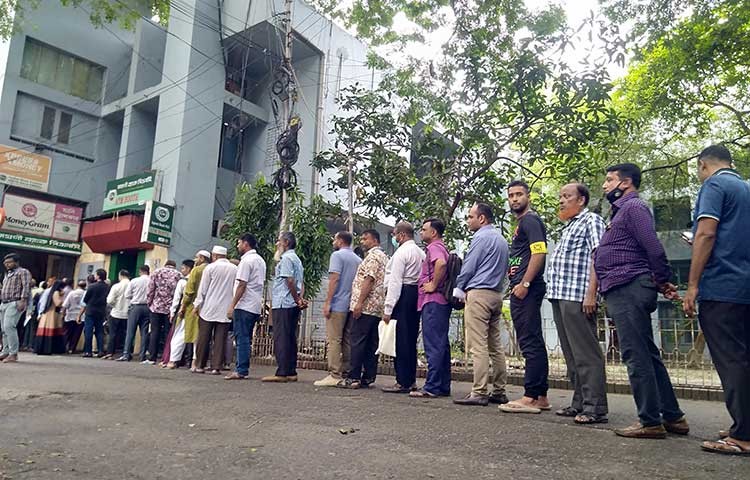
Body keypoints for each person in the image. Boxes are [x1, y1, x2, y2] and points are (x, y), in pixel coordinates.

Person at [595, 162, 686, 439]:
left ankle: (650, 421)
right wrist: (659, 281)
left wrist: (663, 278)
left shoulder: (633, 208)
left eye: (610, 180)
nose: (605, 185)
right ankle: (673, 417)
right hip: (627, 286)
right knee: (647, 354)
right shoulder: (621, 212)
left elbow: (652, 246)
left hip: (628, 286)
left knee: (636, 355)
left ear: (626, 183)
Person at [681, 146, 750, 455]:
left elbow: (706, 234)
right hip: (746, 285)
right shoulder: (746, 187)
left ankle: (744, 435)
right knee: (745, 357)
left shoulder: (715, 184)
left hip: (723, 285)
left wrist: (692, 285)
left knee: (731, 359)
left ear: (703, 165)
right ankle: (744, 424)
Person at [547, 183, 609, 424]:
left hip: (578, 296)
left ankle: (596, 407)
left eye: (567, 196)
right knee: (572, 354)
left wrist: (591, 293)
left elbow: (598, 256)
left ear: (581, 200)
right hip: (560, 295)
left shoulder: (590, 220)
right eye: (560, 196)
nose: (562, 201)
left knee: (586, 353)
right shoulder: (569, 225)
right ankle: (579, 402)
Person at [500, 180, 551, 414]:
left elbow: (539, 252)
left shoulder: (530, 220)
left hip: (527, 288)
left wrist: (525, 283)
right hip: (522, 286)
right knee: (532, 339)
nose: (514, 199)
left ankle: (531, 396)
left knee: (530, 341)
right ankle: (540, 396)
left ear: (528, 197)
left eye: (519, 194)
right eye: (511, 195)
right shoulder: (522, 223)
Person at [452, 203, 509, 406]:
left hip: (478, 294)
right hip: (496, 294)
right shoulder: (502, 240)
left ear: (482, 219)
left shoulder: (480, 238)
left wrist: (459, 286)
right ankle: (500, 390)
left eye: (470, 217)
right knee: (496, 345)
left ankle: (479, 391)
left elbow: (469, 265)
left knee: (478, 346)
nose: (468, 220)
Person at [338, 229, 389, 389]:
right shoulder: (385, 257)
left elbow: (369, 279)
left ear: (374, 240)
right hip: (377, 307)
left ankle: (353, 377)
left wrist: (359, 303)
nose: (362, 241)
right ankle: (368, 376)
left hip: (366, 306)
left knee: (358, 341)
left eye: (365, 239)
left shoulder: (373, 257)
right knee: (371, 343)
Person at [411, 218, 452, 398]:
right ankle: (442, 385)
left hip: (433, 301)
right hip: (441, 302)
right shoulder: (443, 247)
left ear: (433, 232)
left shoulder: (435, 248)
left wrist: (433, 284)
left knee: (433, 344)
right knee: (441, 344)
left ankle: (432, 386)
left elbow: (441, 263)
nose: (421, 232)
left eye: (424, 229)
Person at [381, 222, 425, 393]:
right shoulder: (420, 253)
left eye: (395, 234)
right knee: (411, 339)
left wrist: (388, 308)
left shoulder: (401, 253)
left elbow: (395, 281)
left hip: (403, 295)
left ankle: (402, 381)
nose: (394, 237)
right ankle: (411, 379)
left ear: (402, 235)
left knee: (401, 340)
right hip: (415, 295)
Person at [315, 231, 362, 387]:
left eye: (334, 239)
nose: (333, 241)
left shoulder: (337, 256)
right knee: (347, 340)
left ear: (340, 241)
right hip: (351, 304)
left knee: (334, 340)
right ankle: (347, 371)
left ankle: (334, 373)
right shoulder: (357, 259)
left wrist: (328, 302)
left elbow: (334, 279)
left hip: (338, 303)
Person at [262, 232, 306, 383]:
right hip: (292, 303)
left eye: (279, 241)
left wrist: (295, 298)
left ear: (286, 242)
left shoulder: (286, 258)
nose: (277, 244)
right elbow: (301, 282)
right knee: (290, 337)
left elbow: (290, 280)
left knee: (281, 337)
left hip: (284, 302)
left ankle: (282, 372)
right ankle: (291, 371)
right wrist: (299, 299)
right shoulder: (297, 259)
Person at [225, 233, 267, 380]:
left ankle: (241, 369)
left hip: (244, 305)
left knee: (241, 337)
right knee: (246, 338)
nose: (237, 246)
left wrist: (232, 305)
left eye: (239, 243)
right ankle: (242, 367)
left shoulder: (246, 261)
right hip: (254, 304)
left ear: (245, 244)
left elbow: (242, 284)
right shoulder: (260, 260)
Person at [193, 246, 237, 375]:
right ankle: (216, 367)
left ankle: (200, 365)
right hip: (226, 308)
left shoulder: (210, 268)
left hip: (209, 308)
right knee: (220, 339)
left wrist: (197, 305)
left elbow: (203, 289)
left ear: (214, 255)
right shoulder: (235, 269)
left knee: (203, 337)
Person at [144, 260, 182, 365]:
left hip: (156, 307)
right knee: (168, 333)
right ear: (174, 266)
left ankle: (152, 357)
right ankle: (166, 357)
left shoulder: (156, 272)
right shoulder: (178, 275)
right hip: (170, 308)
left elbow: (150, 289)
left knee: (155, 332)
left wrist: (149, 303)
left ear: (165, 264)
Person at [179, 250, 211, 371]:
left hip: (194, 307)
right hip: (210, 307)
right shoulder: (213, 268)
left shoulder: (196, 270)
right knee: (206, 336)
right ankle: (202, 363)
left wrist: (183, 306)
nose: (195, 260)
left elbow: (189, 291)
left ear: (202, 258)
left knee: (194, 336)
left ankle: (194, 363)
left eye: (196, 257)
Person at [0, 253, 32, 363]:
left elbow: (26, 287)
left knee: (9, 327)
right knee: (4, 329)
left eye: (9, 262)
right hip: (4, 303)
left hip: (15, 302)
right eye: (5, 263)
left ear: (16, 262)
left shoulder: (23, 272)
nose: (6, 264)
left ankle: (13, 353)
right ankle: (5, 352)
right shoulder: (7, 274)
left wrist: (23, 301)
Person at [163, 259, 194, 368]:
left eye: (183, 268)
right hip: (196, 312)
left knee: (178, 336)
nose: (182, 271)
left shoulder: (183, 281)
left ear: (188, 268)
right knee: (192, 338)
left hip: (183, 311)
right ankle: (190, 361)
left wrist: (172, 312)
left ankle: (173, 360)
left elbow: (176, 299)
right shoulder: (200, 280)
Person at [118, 265, 151, 362]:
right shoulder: (151, 281)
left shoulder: (134, 281)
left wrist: (135, 296)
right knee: (144, 332)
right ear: (148, 271)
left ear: (140, 271)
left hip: (135, 307)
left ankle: (126, 354)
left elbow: (127, 295)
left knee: (130, 331)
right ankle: (142, 355)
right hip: (147, 307)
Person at [78, 269, 109, 358]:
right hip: (101, 311)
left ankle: (88, 351)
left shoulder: (92, 286)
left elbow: (86, 299)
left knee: (88, 331)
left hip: (91, 310)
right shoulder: (107, 287)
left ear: (98, 276)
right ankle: (100, 350)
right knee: (99, 331)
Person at [34, 280, 66, 355]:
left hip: (48, 313)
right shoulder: (56, 293)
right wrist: (62, 299)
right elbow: (57, 303)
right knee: (50, 331)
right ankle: (48, 349)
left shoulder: (51, 291)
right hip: (52, 314)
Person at [104, 270, 130, 359]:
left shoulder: (116, 286)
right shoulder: (132, 285)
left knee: (113, 333)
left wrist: (114, 305)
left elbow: (109, 300)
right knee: (127, 333)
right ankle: (125, 352)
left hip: (116, 313)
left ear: (121, 275)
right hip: (128, 314)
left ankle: (110, 352)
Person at [61, 280, 86, 354]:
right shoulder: (85, 293)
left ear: (77, 285)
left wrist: (63, 314)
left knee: (67, 333)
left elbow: (65, 305)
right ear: (84, 286)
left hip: (70, 315)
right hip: (81, 316)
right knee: (76, 334)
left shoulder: (72, 293)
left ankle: (64, 347)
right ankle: (72, 348)